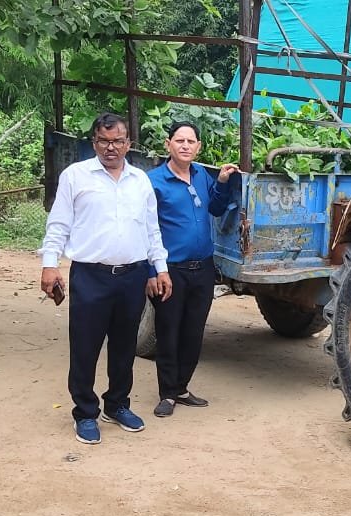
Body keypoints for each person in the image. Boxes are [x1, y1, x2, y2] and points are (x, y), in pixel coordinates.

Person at [39, 112, 173, 444]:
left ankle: (117, 405)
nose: (110, 147)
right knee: (85, 346)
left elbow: (151, 230)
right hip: (90, 276)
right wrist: (50, 264)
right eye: (103, 140)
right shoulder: (76, 176)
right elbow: (58, 224)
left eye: (117, 141)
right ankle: (85, 412)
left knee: (124, 346)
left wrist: (161, 268)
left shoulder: (140, 180)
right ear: (94, 142)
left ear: (129, 143)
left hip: (132, 277)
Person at [146, 121, 239, 417]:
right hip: (170, 270)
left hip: (203, 269)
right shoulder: (153, 181)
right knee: (168, 330)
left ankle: (182, 387)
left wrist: (222, 182)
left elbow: (214, 208)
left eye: (191, 141)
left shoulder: (201, 175)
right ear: (168, 144)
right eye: (179, 140)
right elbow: (145, 229)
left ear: (198, 146)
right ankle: (167, 393)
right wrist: (152, 272)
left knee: (193, 331)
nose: (185, 146)